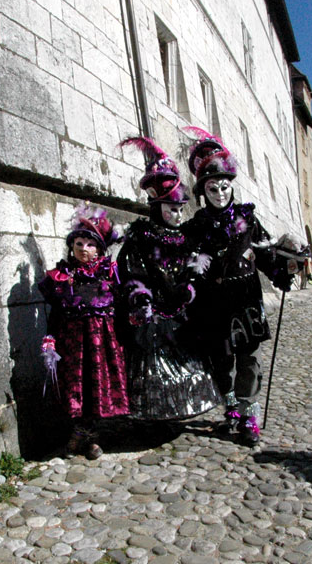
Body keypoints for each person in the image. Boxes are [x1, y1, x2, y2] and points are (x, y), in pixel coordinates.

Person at [181, 127, 299, 446]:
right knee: (221, 362)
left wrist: (280, 275)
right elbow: (187, 268)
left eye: (224, 186)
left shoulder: (248, 220)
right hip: (213, 305)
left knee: (249, 360)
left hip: (246, 301)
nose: (220, 192)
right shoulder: (195, 228)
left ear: (231, 186)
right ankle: (230, 407)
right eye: (213, 187)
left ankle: (248, 414)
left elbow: (265, 254)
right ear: (203, 191)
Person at [115, 137, 221, 420]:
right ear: (157, 207)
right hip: (154, 316)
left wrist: (190, 287)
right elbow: (130, 271)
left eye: (180, 209)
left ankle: (182, 409)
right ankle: (156, 414)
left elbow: (195, 266)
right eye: (171, 209)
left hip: (182, 315)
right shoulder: (140, 238)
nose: (177, 215)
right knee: (153, 368)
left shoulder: (185, 237)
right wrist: (141, 297)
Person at [39, 203, 129, 459]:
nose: (83, 250)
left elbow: (122, 304)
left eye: (89, 245)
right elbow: (56, 312)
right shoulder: (62, 277)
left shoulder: (110, 273)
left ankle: (86, 437)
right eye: (78, 244)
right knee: (76, 389)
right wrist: (49, 339)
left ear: (99, 248)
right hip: (73, 343)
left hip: (102, 343)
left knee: (96, 388)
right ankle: (82, 435)